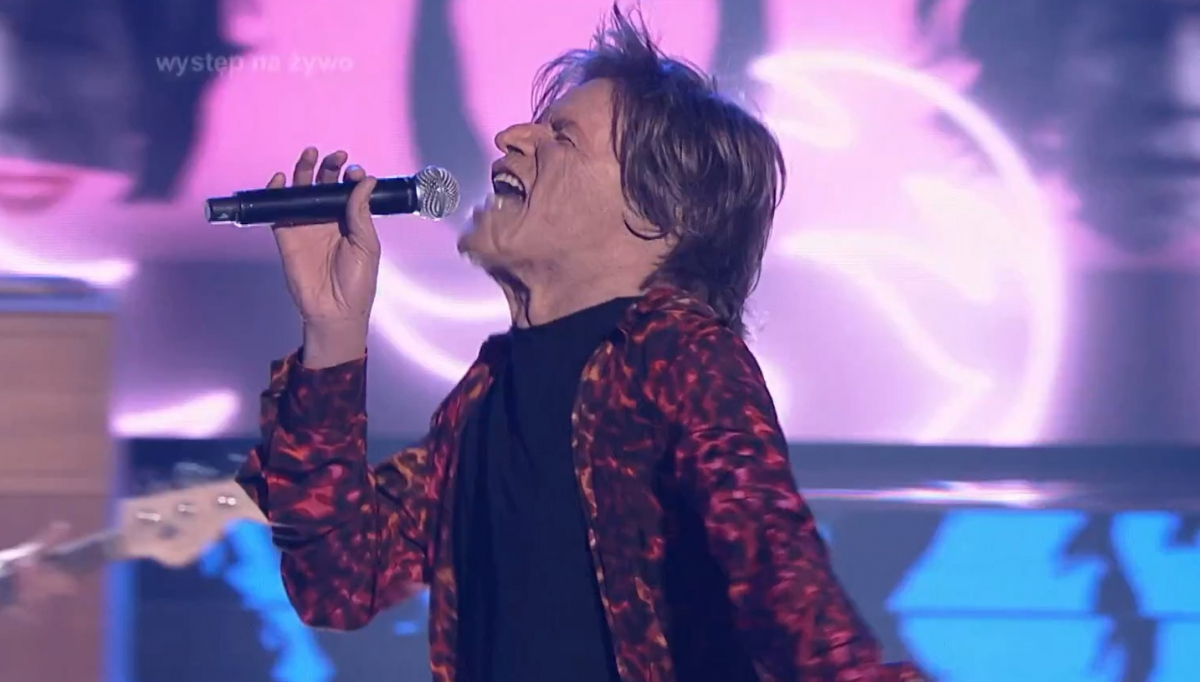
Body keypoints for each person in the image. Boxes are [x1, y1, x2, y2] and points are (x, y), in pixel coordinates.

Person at [236, 6, 925, 681]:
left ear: (658, 212)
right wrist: (332, 330)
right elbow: (340, 580)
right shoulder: (484, 394)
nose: (510, 137)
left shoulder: (678, 357)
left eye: (562, 138)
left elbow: (787, 592)